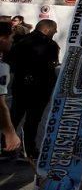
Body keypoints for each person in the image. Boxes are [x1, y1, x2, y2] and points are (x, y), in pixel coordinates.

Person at [6, 18, 59, 159]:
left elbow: (12, 62)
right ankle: (27, 150)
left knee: (14, 117)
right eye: (54, 29)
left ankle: (6, 146)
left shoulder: (21, 41)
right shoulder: (50, 45)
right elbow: (51, 65)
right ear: (47, 29)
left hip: (21, 87)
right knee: (32, 120)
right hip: (39, 89)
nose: (56, 31)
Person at [0, 21, 22, 155]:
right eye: (11, 37)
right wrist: (10, 133)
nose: (12, 40)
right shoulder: (2, 67)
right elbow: (0, 104)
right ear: (2, 38)